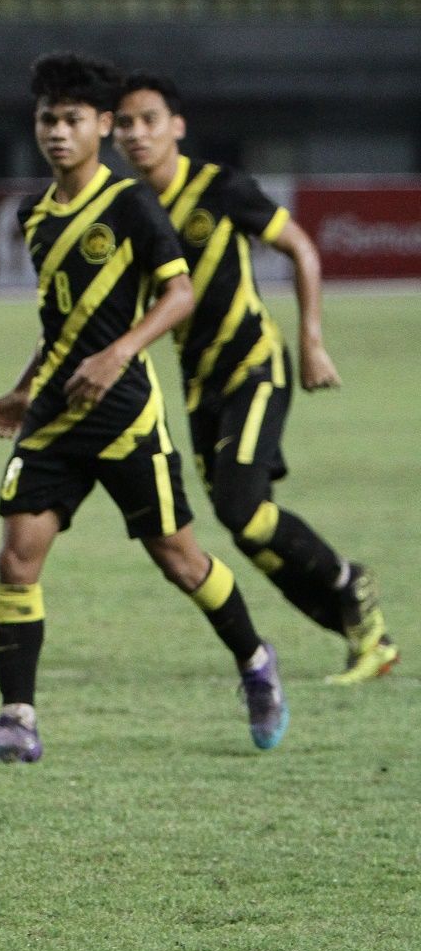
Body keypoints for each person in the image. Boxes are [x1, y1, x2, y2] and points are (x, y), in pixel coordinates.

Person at [0, 53, 289, 765]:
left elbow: (179, 293)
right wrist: (23, 384)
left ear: (102, 125)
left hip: (125, 414)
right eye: (47, 120)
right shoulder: (32, 213)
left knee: (180, 560)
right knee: (16, 559)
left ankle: (255, 661)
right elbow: (62, 321)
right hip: (55, 415)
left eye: (73, 120)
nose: (58, 133)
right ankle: (16, 721)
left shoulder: (131, 204)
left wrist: (119, 354)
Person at [113, 72, 397, 684]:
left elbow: (302, 247)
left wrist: (313, 340)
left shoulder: (220, 189)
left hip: (254, 366)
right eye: (125, 123)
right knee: (249, 532)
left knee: (243, 511)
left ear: (177, 127)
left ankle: (352, 583)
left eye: (149, 120)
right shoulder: (132, 213)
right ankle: (363, 633)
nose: (137, 134)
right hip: (199, 386)